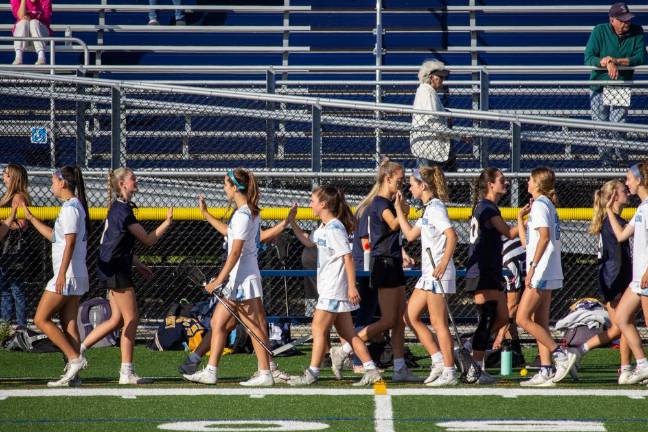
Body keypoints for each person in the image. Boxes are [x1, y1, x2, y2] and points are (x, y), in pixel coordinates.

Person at [183, 169, 288, 386]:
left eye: (225, 184)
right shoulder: (248, 212)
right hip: (240, 279)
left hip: (241, 280)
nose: (224, 189)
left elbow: (235, 252)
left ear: (234, 187)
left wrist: (218, 280)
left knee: (253, 327)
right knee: (218, 322)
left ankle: (265, 372)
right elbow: (230, 234)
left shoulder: (243, 215)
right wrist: (206, 214)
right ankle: (211, 370)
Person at [80, 167, 173, 385]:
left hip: (112, 267)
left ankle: (78, 350)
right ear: (122, 184)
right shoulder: (122, 210)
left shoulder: (118, 208)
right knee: (131, 319)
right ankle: (126, 372)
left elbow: (118, 246)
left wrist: (138, 264)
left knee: (116, 319)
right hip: (116, 271)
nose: (136, 181)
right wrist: (167, 222)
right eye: (132, 179)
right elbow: (148, 240)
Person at [329, 158, 419, 382]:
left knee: (398, 320)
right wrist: (401, 209)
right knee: (388, 320)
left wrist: (402, 209)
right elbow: (394, 224)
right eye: (399, 180)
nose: (402, 184)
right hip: (384, 263)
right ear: (387, 179)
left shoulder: (386, 202)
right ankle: (345, 350)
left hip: (394, 261)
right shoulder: (380, 203)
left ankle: (400, 368)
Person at [287, 186, 382, 386]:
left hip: (333, 288)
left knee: (318, 328)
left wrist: (351, 287)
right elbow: (308, 242)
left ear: (323, 204)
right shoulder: (324, 228)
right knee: (349, 334)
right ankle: (371, 370)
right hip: (331, 288)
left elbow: (347, 258)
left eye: (313, 201)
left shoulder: (335, 228)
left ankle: (312, 373)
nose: (310, 204)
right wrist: (291, 222)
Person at [22, 166, 89, 386]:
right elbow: (56, 237)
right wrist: (31, 219)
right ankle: (75, 374)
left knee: (41, 319)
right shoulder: (73, 206)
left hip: (67, 274)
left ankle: (74, 359)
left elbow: (69, 243)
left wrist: (60, 275)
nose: (51, 185)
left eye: (53, 181)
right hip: (75, 273)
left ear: (63, 182)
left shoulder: (70, 208)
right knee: (69, 323)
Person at [394, 167, 458, 386]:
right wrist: (399, 211)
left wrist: (442, 263)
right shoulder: (428, 208)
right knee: (409, 316)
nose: (409, 187)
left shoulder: (437, 208)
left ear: (423, 185)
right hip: (428, 274)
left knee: (438, 323)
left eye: (412, 183)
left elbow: (452, 236)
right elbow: (410, 235)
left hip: (438, 272)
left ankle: (450, 371)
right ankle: (438, 360)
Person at [516, 167, 577, 387]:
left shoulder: (541, 204)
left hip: (541, 270)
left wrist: (532, 267)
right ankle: (546, 369)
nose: (527, 182)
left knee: (522, 318)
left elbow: (544, 238)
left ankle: (560, 354)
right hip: (547, 270)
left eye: (531, 180)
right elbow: (529, 243)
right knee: (540, 322)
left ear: (538, 183)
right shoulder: (545, 205)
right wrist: (519, 218)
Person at [465, 168, 525, 384]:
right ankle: (475, 368)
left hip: (491, 270)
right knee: (488, 318)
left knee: (501, 318)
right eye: (501, 180)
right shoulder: (487, 208)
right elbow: (509, 233)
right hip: (483, 272)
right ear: (490, 184)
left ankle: (468, 348)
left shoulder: (487, 207)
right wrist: (524, 220)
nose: (506, 183)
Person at [568, 180, 632, 382]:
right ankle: (625, 368)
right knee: (624, 326)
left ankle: (579, 351)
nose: (628, 192)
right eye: (623, 190)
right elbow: (615, 259)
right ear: (614, 195)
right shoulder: (614, 223)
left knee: (618, 328)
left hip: (615, 279)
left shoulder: (613, 220)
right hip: (615, 280)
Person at [584, 2, 646, 166]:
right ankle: (607, 163)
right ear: (612, 20)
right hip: (599, 85)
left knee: (618, 125)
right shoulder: (599, 30)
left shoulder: (637, 31)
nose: (627, 23)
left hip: (619, 85)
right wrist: (605, 62)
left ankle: (622, 160)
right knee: (600, 126)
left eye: (628, 19)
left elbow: (641, 57)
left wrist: (616, 61)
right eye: (623, 20)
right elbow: (589, 57)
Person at [604, 162, 648, 385]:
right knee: (621, 318)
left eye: (629, 178)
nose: (627, 182)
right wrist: (609, 211)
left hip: (646, 276)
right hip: (637, 279)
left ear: (640, 180)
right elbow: (621, 235)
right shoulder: (641, 208)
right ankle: (642, 365)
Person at [410, 60, 457, 172]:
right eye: (440, 77)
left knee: (424, 179)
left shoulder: (427, 91)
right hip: (428, 146)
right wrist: (457, 136)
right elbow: (432, 122)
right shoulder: (427, 93)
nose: (442, 80)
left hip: (428, 146)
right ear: (431, 78)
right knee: (424, 181)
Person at [0, 164, 29, 328]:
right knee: (4, 289)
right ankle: (4, 326)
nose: (3, 177)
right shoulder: (6, 196)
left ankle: (21, 327)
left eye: (6, 175)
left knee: (16, 289)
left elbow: (22, 225)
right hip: (4, 249)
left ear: (14, 178)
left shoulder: (18, 197)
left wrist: (5, 223)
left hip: (13, 250)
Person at [490, 234, 526, 365]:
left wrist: (499, 336)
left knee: (532, 318)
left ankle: (546, 358)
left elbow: (513, 305)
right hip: (524, 275)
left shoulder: (508, 261)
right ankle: (515, 353)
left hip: (539, 280)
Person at [10, 0, 52, 65]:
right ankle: (18, 57)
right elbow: (20, 16)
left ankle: (41, 57)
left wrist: (31, 19)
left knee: (34, 23)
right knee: (23, 22)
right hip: (24, 34)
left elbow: (46, 18)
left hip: (40, 33)